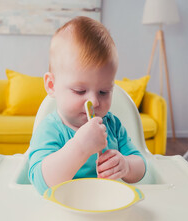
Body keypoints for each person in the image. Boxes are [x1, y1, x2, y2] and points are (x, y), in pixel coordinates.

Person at [28, 16, 146, 195]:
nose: (95, 102)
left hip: (105, 205)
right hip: (65, 208)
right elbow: (41, 182)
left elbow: (142, 165)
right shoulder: (50, 130)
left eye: (104, 92)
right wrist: (80, 147)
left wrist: (126, 166)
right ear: (52, 85)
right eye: (79, 91)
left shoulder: (112, 125)